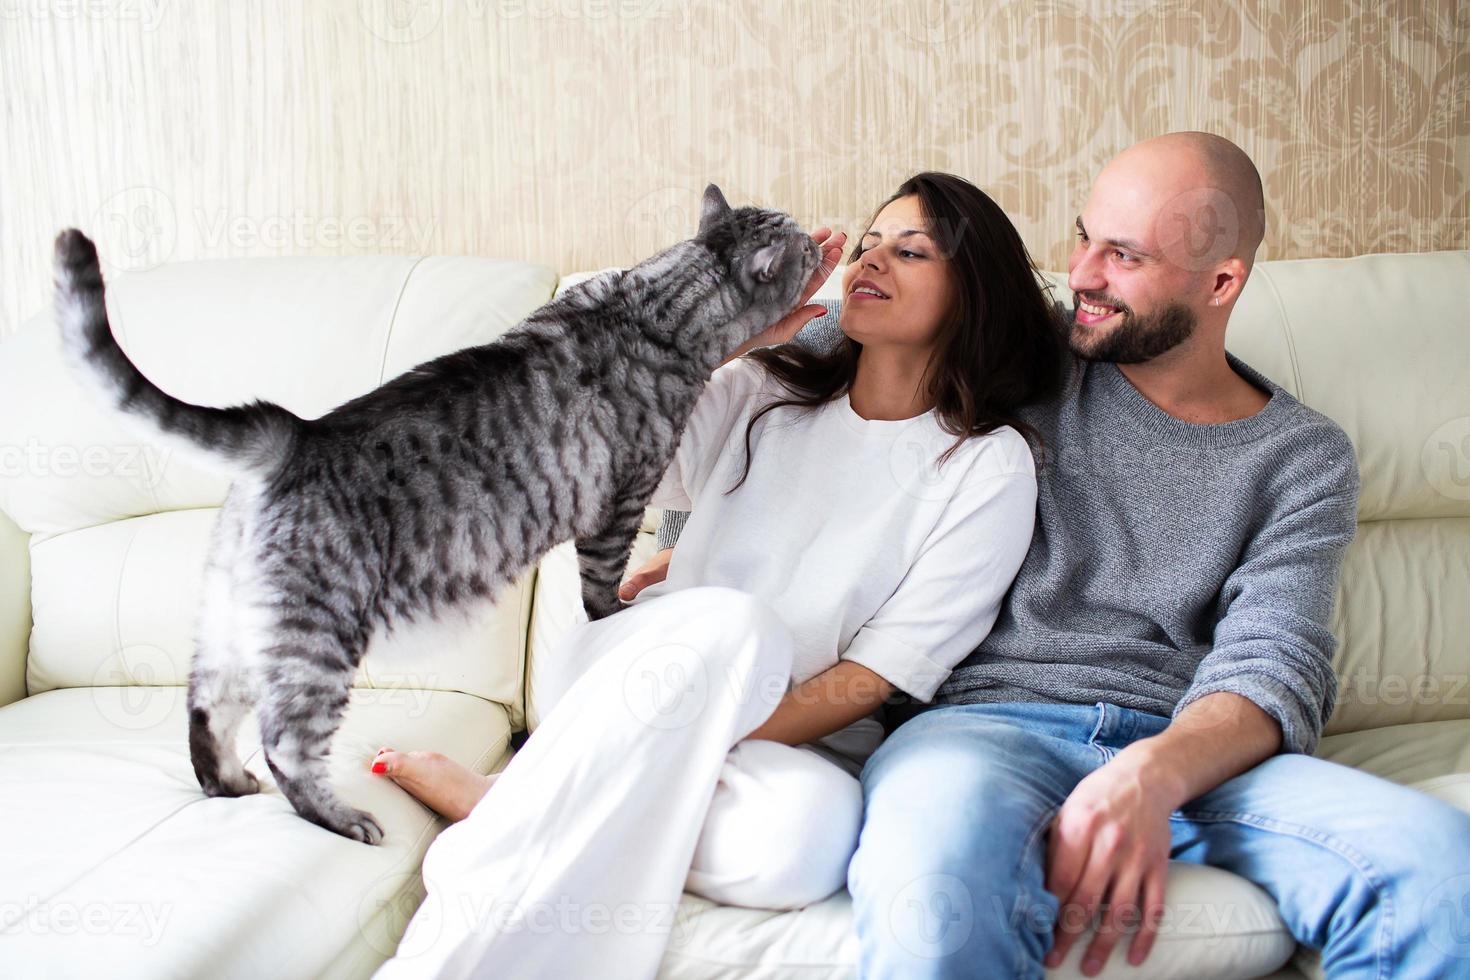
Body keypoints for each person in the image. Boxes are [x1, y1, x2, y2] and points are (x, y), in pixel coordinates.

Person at [641, 132, 1470, 977]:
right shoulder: (1017, 345)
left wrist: (1152, 776)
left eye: (1124, 256)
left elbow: (1275, 661)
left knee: (1440, 868)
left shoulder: (1301, 456)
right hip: (975, 735)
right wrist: (693, 545)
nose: (1080, 276)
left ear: (1222, 281)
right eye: (1083, 238)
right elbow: (789, 404)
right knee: (934, 895)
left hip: (1194, 756)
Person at [368, 172, 1068, 979]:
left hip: (784, 741)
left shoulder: (988, 466)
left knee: (806, 842)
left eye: (911, 250)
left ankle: (520, 804)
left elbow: (876, 677)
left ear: (974, 295)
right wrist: (717, 338)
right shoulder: (760, 390)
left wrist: (692, 744)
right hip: (630, 687)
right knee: (736, 626)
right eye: (869, 242)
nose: (872, 259)